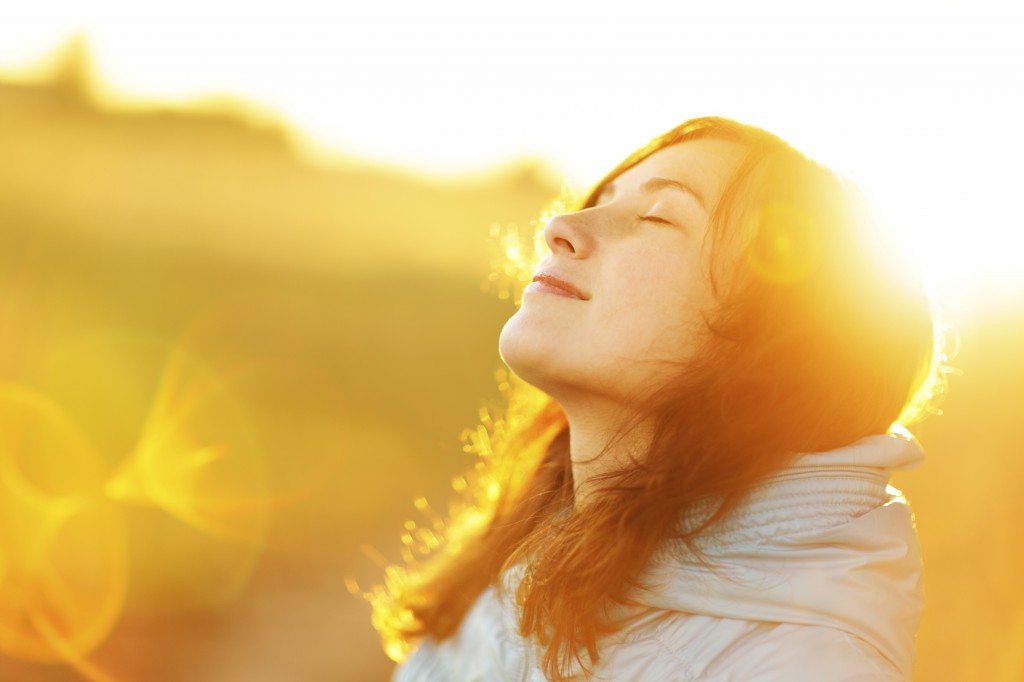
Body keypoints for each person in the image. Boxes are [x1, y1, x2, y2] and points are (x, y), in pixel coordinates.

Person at [370, 116, 940, 680]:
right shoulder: (534, 552)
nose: (561, 225)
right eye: (603, 197)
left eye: (657, 215)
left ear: (775, 344)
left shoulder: (808, 668)